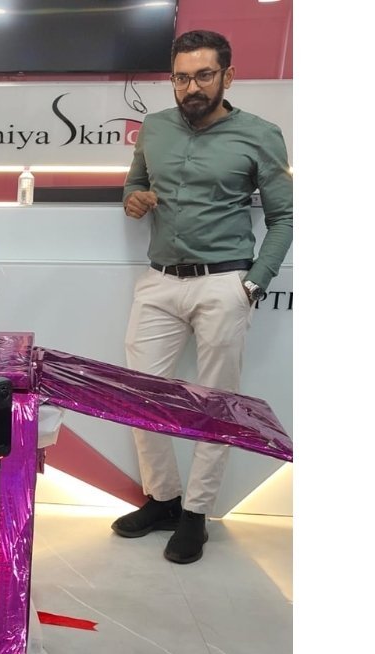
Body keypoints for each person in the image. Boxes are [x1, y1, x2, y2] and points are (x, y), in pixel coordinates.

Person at [114, 29, 292, 565]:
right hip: (159, 280)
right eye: (181, 77)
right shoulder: (154, 127)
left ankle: (196, 514)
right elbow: (134, 185)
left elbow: (284, 218)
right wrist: (135, 200)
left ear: (227, 77)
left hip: (224, 282)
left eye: (204, 75)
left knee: (215, 403)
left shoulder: (260, 134)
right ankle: (163, 499)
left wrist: (253, 282)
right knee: (139, 395)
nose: (191, 87)